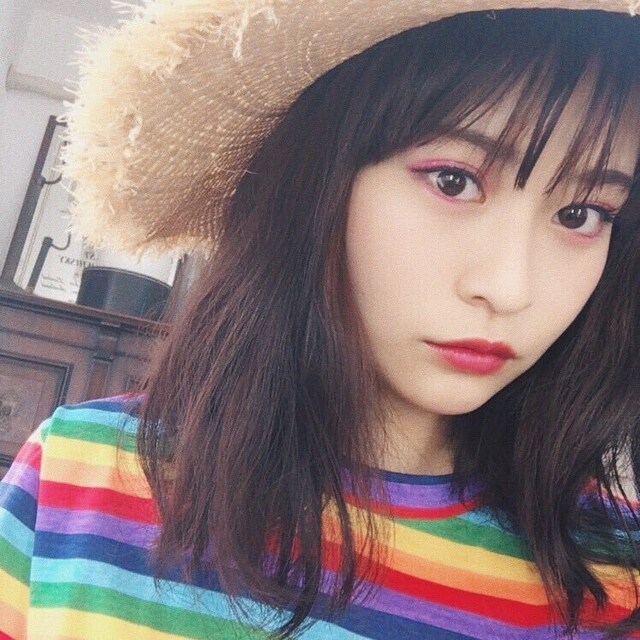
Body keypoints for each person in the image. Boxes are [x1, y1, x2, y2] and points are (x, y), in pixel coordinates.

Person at [1, 1, 640, 638]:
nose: (508, 289)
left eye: (581, 215)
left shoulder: (615, 575)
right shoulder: (75, 475)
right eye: (453, 180)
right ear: (318, 183)